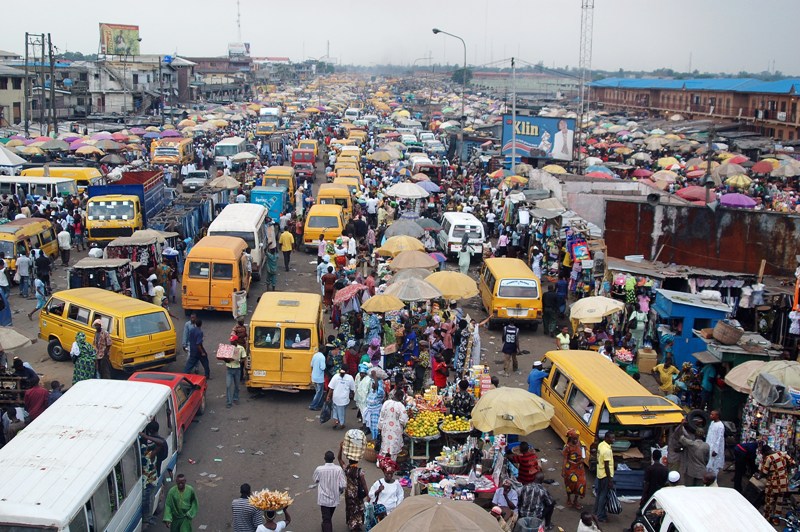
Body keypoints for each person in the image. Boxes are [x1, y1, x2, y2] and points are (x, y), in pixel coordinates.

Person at [338, 440, 368, 531]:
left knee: (350, 508)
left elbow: (339, 459)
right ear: (357, 460)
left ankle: (352, 524)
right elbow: (364, 484)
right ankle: (357, 525)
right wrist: (368, 495)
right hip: (358, 494)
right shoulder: (360, 471)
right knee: (358, 509)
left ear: (349, 460)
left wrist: (341, 448)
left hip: (349, 493)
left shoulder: (346, 469)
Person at [313, 450, 346, 532]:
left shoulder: (319, 469)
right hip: (334, 498)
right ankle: (325, 525)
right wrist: (340, 490)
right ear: (334, 459)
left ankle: (325, 526)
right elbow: (343, 485)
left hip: (323, 499)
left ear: (324, 458)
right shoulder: (338, 469)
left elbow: (315, 480)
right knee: (328, 517)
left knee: (326, 518)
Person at [759, 444, 795, 519]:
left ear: (765, 452)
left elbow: (764, 472)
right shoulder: (782, 453)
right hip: (783, 481)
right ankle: (776, 520)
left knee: (769, 501)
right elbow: (793, 462)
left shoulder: (768, 458)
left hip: (773, 483)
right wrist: (785, 470)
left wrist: (760, 475)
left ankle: (767, 518)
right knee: (779, 501)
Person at [378, 389, 409, 462]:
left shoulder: (386, 403)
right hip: (396, 430)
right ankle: (391, 463)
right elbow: (403, 420)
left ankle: (380, 462)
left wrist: (380, 427)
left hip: (385, 428)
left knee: (384, 445)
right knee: (394, 448)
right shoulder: (401, 406)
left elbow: (381, 416)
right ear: (401, 397)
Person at [562, 428, 587, 509]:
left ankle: (576, 500)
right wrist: (563, 470)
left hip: (579, 467)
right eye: (574, 439)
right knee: (570, 484)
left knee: (581, 483)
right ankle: (569, 498)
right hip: (570, 468)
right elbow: (565, 458)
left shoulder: (581, 444)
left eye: (577, 438)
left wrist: (583, 459)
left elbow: (584, 453)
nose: (576, 440)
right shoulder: (567, 447)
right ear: (570, 438)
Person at [593, 431, 615, 523]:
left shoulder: (601, 445)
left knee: (599, 494)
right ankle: (600, 515)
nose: (614, 440)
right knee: (603, 495)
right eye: (612, 438)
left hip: (599, 473)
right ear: (606, 438)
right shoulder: (607, 450)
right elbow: (607, 465)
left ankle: (595, 511)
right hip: (605, 476)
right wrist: (610, 480)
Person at [226, 336, 246, 408]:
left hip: (237, 369)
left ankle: (235, 398)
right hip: (229, 369)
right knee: (228, 386)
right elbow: (225, 358)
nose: (231, 342)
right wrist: (226, 359)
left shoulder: (241, 348)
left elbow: (244, 358)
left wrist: (239, 360)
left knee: (237, 386)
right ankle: (229, 402)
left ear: (236, 341)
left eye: (232, 341)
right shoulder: (228, 348)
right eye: (231, 341)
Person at [705, 410, 725, 475]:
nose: (710, 416)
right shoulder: (712, 423)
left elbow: (719, 439)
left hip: (714, 448)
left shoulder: (720, 426)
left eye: (712, 415)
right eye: (711, 414)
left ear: (717, 416)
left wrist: (715, 450)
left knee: (714, 464)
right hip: (709, 445)